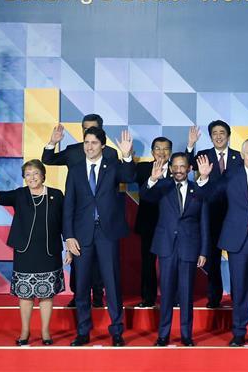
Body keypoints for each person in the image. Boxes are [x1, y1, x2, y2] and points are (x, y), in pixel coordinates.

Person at [195, 138, 248, 347]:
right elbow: (209, 196)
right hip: (237, 240)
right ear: (242, 156)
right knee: (239, 288)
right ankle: (239, 333)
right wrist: (203, 178)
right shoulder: (231, 176)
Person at [0, 161, 70, 346]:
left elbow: (65, 223)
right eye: (28, 174)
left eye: (35, 173)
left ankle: (46, 332)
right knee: (26, 295)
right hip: (25, 252)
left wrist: (69, 247)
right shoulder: (20, 195)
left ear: (43, 175)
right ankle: (25, 332)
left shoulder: (56, 195)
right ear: (24, 178)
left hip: (49, 252)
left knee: (47, 295)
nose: (32, 177)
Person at [63, 127, 136, 347]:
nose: (89, 146)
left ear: (102, 145)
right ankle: (83, 331)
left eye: (94, 143)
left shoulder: (113, 167)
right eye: (86, 142)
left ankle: (116, 331)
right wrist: (68, 236)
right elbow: (69, 206)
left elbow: (130, 176)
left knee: (112, 283)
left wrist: (126, 155)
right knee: (82, 285)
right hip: (82, 235)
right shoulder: (75, 170)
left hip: (107, 233)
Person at [42, 113, 112, 307]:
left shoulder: (111, 153)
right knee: (78, 260)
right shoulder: (73, 151)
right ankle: (78, 296)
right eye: (84, 128)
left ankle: (98, 295)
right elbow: (48, 160)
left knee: (100, 262)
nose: (87, 132)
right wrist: (52, 142)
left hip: (103, 220)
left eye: (92, 128)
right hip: (80, 218)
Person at [141, 152, 208, 347]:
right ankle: (163, 335)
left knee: (186, 294)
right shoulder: (161, 187)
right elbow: (146, 195)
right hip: (166, 246)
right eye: (175, 167)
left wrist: (203, 251)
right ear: (170, 169)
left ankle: (187, 335)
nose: (179, 170)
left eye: (182, 167)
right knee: (167, 293)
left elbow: (204, 222)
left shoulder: (199, 190)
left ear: (189, 169)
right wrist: (153, 178)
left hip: (189, 247)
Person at [187, 121, 241, 308]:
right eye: (215, 133)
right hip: (210, 215)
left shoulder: (239, 157)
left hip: (235, 216)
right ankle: (214, 297)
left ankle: (238, 296)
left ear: (228, 135)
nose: (218, 136)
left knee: (237, 259)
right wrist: (191, 146)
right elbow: (186, 165)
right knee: (213, 258)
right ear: (210, 137)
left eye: (222, 132)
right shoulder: (204, 156)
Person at [134, 136, 173, 308]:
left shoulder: (176, 169)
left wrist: (190, 147)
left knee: (171, 263)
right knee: (148, 263)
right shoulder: (143, 168)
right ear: (152, 151)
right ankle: (148, 298)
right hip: (148, 224)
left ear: (170, 152)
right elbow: (129, 175)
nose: (161, 152)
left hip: (171, 226)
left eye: (165, 149)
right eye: (158, 148)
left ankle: (172, 297)